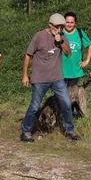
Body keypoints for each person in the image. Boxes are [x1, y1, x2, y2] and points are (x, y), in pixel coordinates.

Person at [20, 13, 75, 143]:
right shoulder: (39, 36)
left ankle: (70, 131)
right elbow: (28, 55)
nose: (59, 29)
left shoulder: (62, 36)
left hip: (57, 78)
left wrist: (60, 41)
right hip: (39, 79)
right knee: (34, 106)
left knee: (66, 103)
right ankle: (25, 131)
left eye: (61, 27)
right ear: (50, 25)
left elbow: (68, 54)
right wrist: (25, 75)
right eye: (57, 27)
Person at [61, 11, 91, 116]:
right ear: (64, 22)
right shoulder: (60, 33)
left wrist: (87, 60)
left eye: (72, 22)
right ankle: (63, 116)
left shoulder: (80, 33)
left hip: (75, 71)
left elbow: (90, 45)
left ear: (75, 23)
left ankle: (71, 116)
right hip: (60, 71)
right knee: (61, 95)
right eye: (67, 22)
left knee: (72, 95)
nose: (69, 24)